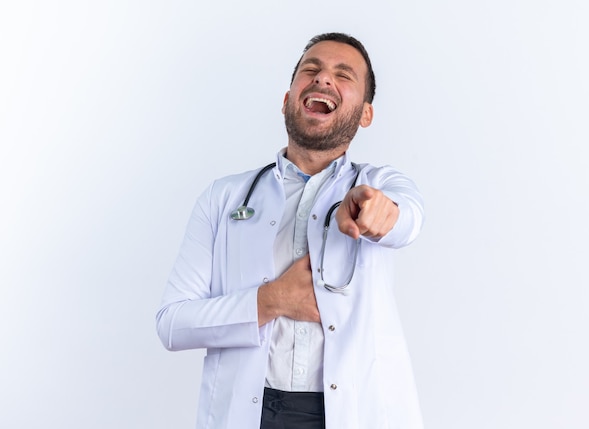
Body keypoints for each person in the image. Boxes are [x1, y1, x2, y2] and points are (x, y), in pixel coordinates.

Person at [156, 32, 425, 429]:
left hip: (350, 413)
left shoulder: (380, 185)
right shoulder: (224, 198)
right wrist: (269, 301)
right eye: (310, 70)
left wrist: (380, 213)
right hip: (250, 412)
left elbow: (406, 219)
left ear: (366, 114)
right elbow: (172, 324)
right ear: (286, 101)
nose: (323, 79)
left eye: (343, 75)